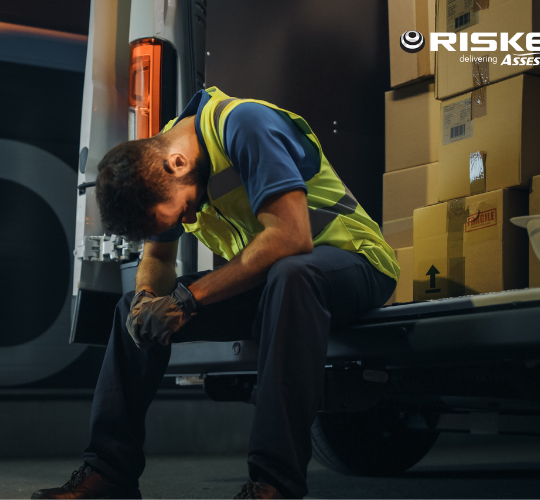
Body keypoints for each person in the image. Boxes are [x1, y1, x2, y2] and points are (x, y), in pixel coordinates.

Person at [32, 87, 398, 499]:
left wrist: (188, 301)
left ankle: (274, 483)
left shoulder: (245, 125)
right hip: (274, 283)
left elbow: (292, 237)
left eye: (183, 209)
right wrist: (147, 300)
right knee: (128, 309)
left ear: (176, 163)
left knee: (293, 274)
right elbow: (159, 258)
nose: (190, 216)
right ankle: (110, 473)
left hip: (352, 264)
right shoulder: (162, 157)